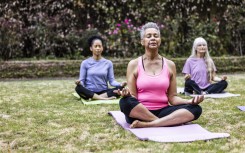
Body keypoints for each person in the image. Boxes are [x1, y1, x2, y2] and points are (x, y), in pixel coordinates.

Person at [115, 22, 204, 128]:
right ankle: (163, 122)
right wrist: (127, 94)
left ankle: (150, 124)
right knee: (125, 102)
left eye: (156, 36)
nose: (153, 38)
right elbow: (133, 96)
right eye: (148, 36)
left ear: (160, 40)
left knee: (196, 109)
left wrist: (189, 101)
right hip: (140, 112)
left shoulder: (170, 65)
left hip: (163, 110)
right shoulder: (133, 64)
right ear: (142, 42)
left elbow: (173, 98)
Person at [75, 35, 126, 100]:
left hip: (104, 91)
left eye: (99, 46)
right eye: (95, 46)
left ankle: (96, 98)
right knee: (78, 88)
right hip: (90, 91)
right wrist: (79, 83)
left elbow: (112, 81)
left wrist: (120, 84)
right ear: (91, 48)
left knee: (120, 89)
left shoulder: (108, 63)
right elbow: (82, 81)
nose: (98, 48)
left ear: (102, 48)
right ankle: (102, 98)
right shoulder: (85, 63)